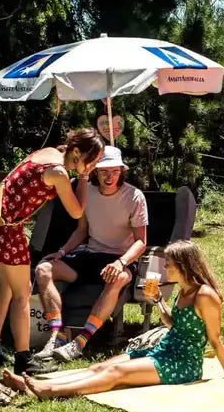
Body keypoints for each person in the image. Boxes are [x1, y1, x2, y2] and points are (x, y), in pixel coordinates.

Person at [0, 240, 224, 399]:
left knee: (117, 372)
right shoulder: (183, 291)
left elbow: (215, 339)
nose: (165, 269)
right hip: (163, 350)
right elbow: (172, 326)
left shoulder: (205, 296)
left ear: (184, 266)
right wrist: (158, 301)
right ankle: (34, 383)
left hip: (182, 364)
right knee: (100, 367)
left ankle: (49, 391)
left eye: (169, 264)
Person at [0, 129, 104, 375]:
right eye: (92, 161)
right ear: (77, 152)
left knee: (4, 287)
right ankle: (23, 359)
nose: (93, 166)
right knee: (22, 295)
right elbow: (77, 212)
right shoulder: (58, 173)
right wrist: (85, 179)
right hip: (8, 229)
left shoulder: (50, 153)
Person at [32, 145, 148, 363]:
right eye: (104, 171)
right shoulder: (88, 193)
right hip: (90, 255)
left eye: (115, 171)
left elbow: (141, 241)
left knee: (119, 278)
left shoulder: (134, 196)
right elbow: (82, 231)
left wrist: (121, 262)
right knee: (44, 268)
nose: (109, 176)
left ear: (122, 171)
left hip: (119, 259)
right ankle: (55, 336)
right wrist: (62, 252)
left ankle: (80, 341)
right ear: (95, 171)